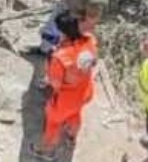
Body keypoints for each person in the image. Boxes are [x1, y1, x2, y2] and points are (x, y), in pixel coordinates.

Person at [31, 12, 98, 159]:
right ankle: (71, 138)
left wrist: (46, 85)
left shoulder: (60, 58)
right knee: (75, 114)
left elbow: (54, 85)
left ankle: (46, 150)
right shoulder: (90, 41)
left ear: (63, 32)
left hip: (64, 100)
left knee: (53, 122)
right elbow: (92, 62)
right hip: (85, 91)